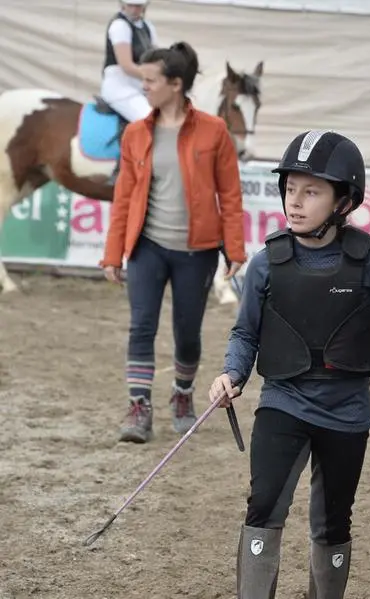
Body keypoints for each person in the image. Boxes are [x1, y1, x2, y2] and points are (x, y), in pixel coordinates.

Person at [207, 130, 370, 599]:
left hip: (346, 415)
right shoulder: (266, 264)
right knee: (264, 506)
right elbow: (245, 333)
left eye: (311, 191)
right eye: (290, 189)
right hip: (282, 404)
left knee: (332, 522)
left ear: (343, 200)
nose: (296, 201)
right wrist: (232, 373)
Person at [100, 41, 246, 444]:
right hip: (147, 247)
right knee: (141, 326)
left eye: (150, 80)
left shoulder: (214, 131)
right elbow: (124, 198)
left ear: (176, 84)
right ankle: (139, 407)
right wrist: (113, 253)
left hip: (196, 252)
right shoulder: (135, 133)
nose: (143, 86)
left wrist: (234, 249)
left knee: (187, 331)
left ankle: (182, 395)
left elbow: (230, 195)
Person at [100, 1, 159, 183]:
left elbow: (157, 57)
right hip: (119, 85)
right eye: (131, 5)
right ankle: (124, 171)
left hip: (140, 85)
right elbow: (126, 65)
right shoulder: (119, 26)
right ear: (123, 4)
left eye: (139, 6)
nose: (135, 9)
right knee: (149, 118)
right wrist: (155, 76)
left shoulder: (147, 26)